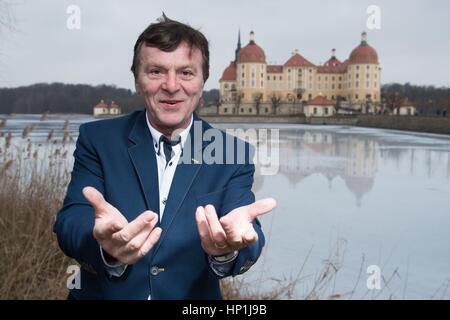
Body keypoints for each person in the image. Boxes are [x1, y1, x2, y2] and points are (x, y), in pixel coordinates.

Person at [53, 15, 276, 300]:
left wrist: (230, 249)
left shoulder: (233, 153)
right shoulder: (98, 139)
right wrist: (102, 244)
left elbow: (244, 228)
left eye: (186, 72)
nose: (171, 86)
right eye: (156, 71)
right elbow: (70, 221)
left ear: (203, 81)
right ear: (137, 81)